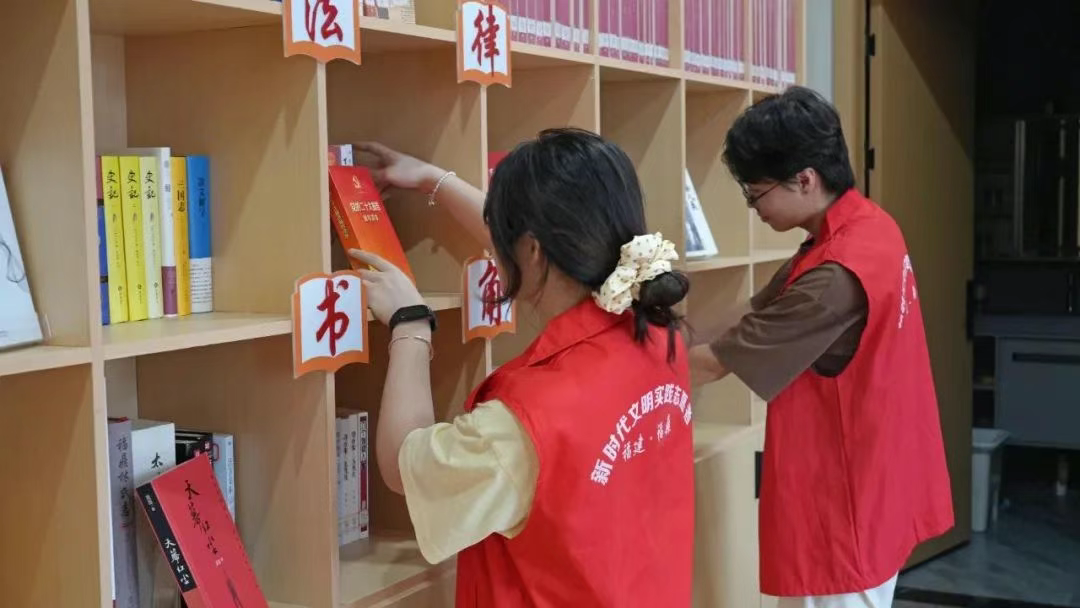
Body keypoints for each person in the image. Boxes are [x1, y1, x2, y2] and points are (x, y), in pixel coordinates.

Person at [349, 127, 695, 607]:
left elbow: (403, 465)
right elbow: (530, 249)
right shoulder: (659, 332)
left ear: (531, 249)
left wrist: (410, 325)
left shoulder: (524, 422)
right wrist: (434, 180)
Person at [687, 86, 955, 607]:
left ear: (805, 179)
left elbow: (716, 363)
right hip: (880, 475)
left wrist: (625, 372)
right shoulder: (868, 227)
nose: (753, 208)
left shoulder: (833, 277)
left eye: (756, 194)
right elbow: (754, 307)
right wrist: (670, 332)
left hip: (844, 503)